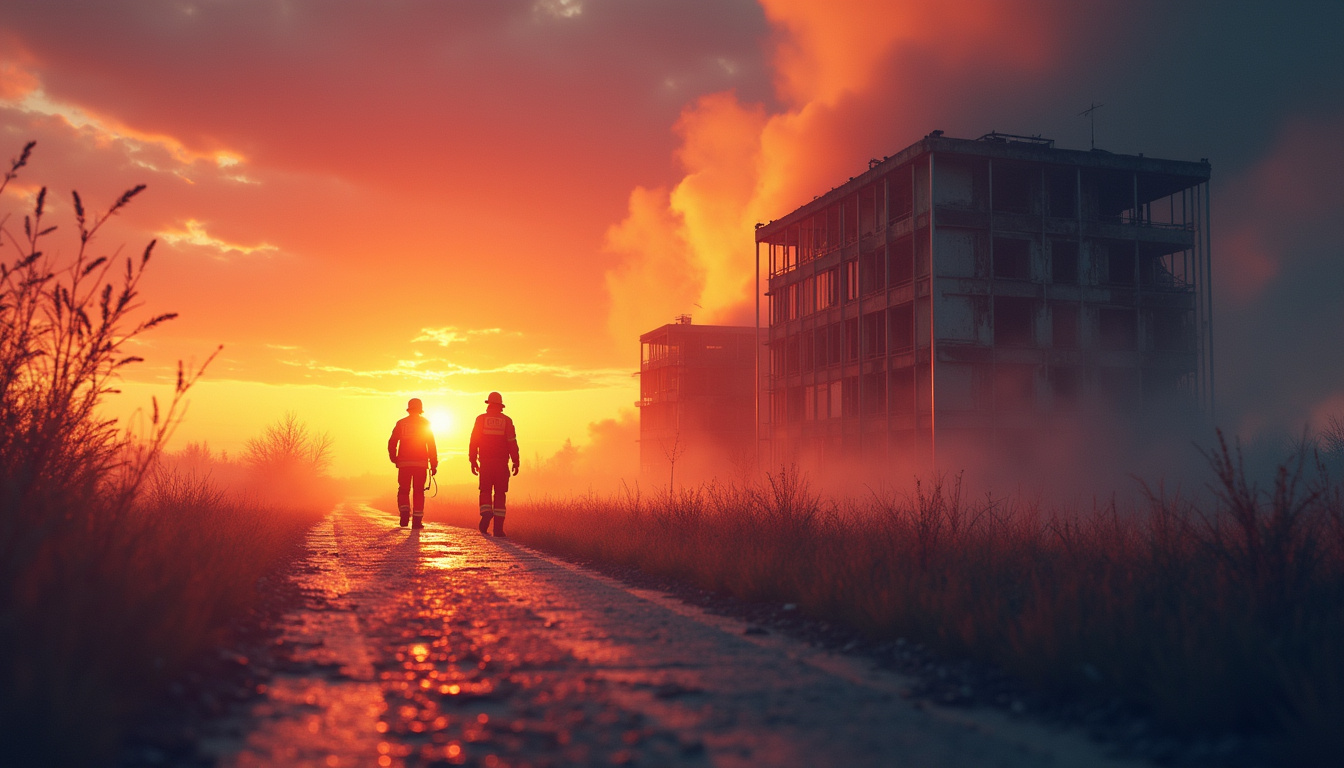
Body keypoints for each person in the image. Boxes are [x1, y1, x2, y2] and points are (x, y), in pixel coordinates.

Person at [469, 391, 519, 537]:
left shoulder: (481, 419)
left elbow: (474, 441)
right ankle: (498, 529)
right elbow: (512, 442)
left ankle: (485, 513)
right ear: (500, 406)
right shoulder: (507, 421)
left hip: (485, 462)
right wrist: (516, 461)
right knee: (500, 493)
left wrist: (473, 459)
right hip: (502, 463)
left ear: (489, 404)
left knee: (485, 490)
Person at [388, 397, 437, 529]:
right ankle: (417, 521)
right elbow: (431, 445)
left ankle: (404, 513)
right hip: (420, 464)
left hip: (404, 464)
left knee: (403, 490)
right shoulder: (425, 423)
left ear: (409, 409)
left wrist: (394, 457)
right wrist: (434, 464)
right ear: (420, 409)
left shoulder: (401, 423)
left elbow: (392, 442)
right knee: (418, 492)